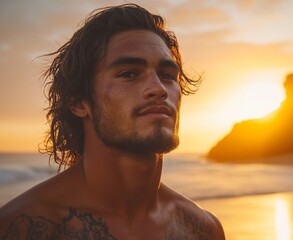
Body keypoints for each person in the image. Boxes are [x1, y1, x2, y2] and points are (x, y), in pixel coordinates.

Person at [0, 3, 225, 240]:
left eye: (167, 76)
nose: (158, 89)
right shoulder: (23, 226)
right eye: (129, 73)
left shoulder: (202, 229)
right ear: (78, 102)